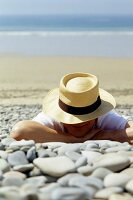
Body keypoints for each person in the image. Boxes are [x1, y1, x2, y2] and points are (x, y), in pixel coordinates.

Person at [10, 72, 133, 143]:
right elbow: (19, 132)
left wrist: (106, 135)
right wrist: (72, 139)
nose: (79, 122)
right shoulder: (53, 117)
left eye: (85, 116)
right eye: (74, 117)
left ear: (96, 113)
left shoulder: (104, 117)